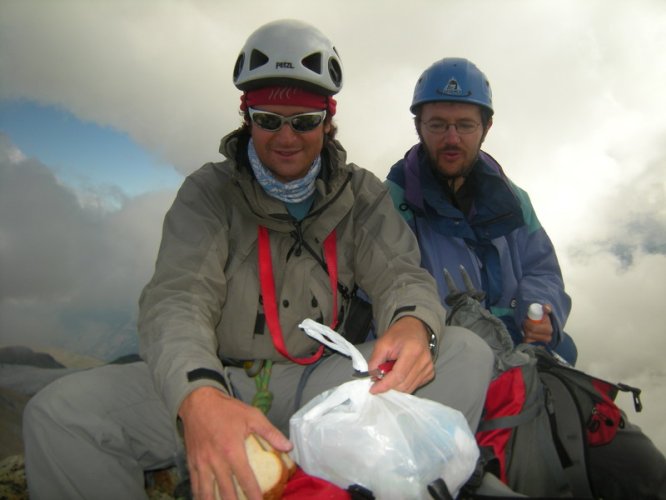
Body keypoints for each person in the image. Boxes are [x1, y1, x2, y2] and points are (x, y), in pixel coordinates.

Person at [22, 21, 493, 500]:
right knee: (59, 414)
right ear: (246, 117)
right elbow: (178, 299)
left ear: (328, 120)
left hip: (326, 387)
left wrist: (415, 323)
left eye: (305, 121)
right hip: (222, 381)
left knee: (463, 352)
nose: (286, 136)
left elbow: (402, 276)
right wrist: (199, 397)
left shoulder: (361, 196)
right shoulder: (210, 194)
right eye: (269, 119)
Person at [385, 57, 578, 365]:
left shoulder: (513, 201)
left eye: (465, 125)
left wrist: (541, 309)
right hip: (440, 355)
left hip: (512, 345)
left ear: (486, 127)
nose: (452, 138)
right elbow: (383, 290)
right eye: (437, 125)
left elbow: (541, 269)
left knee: (564, 353)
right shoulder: (393, 204)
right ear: (418, 126)